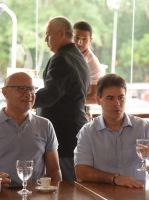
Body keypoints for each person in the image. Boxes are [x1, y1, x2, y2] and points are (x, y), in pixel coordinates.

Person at [0, 72, 62, 186]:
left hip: (35, 194)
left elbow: (54, 171)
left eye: (31, 89)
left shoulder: (45, 125)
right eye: (21, 89)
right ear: (5, 92)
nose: (28, 94)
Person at [74, 74, 149, 188]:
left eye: (121, 97)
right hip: (104, 193)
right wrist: (115, 178)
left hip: (138, 191)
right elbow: (81, 172)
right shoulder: (88, 132)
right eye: (110, 98)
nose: (117, 103)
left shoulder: (142, 127)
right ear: (98, 100)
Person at [34, 16, 90, 181]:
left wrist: (25, 98)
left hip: (63, 135)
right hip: (73, 130)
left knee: (64, 190)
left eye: (48, 34)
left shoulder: (61, 58)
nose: (45, 39)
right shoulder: (78, 57)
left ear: (62, 34)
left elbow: (50, 95)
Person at [73, 21, 103, 104]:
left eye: (84, 39)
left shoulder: (93, 63)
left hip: (82, 109)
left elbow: (95, 97)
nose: (80, 42)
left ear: (90, 41)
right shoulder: (65, 55)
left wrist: (68, 102)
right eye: (77, 38)